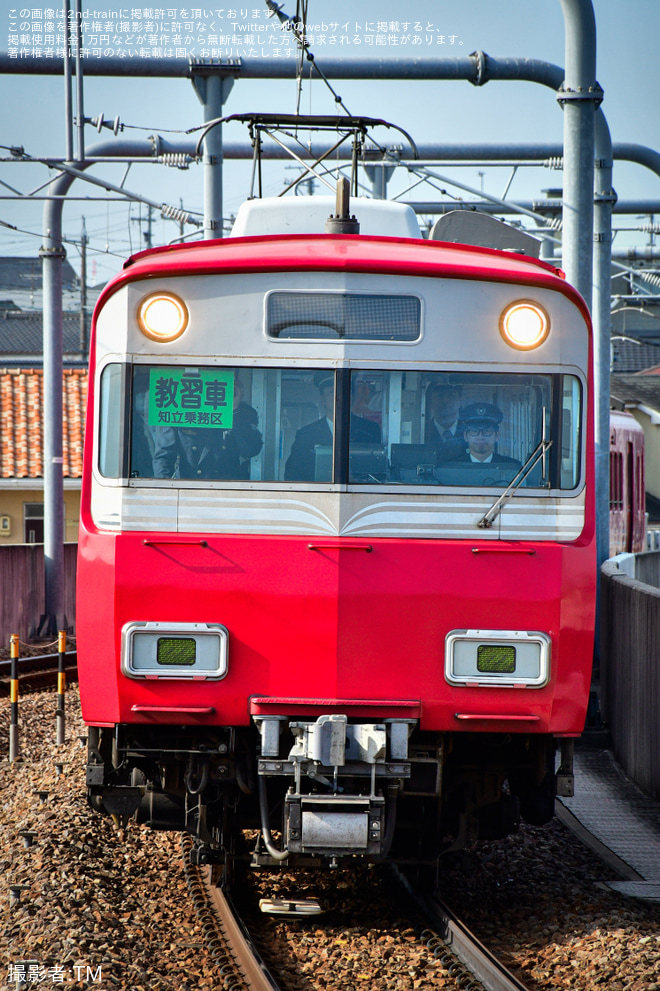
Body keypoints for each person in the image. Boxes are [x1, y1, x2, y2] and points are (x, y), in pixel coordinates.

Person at [152, 376, 262, 480]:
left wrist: (234, 410)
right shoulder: (182, 412)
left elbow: (250, 451)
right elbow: (163, 458)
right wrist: (164, 489)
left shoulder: (243, 413)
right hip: (191, 484)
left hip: (226, 486)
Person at [284, 371, 381, 481]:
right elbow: (292, 476)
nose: (339, 398)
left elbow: (378, 473)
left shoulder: (370, 430)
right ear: (322, 400)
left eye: (344, 392)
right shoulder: (306, 435)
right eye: (332, 393)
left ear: (352, 397)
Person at [454, 402, 521, 466]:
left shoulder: (510, 466)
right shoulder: (454, 466)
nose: (480, 437)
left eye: (487, 431)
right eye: (474, 431)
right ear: (465, 436)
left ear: (497, 436)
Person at [424, 384, 465, 462]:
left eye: (451, 396)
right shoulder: (421, 432)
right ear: (430, 402)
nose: (446, 400)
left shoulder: (470, 433)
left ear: (460, 402)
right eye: (440, 396)